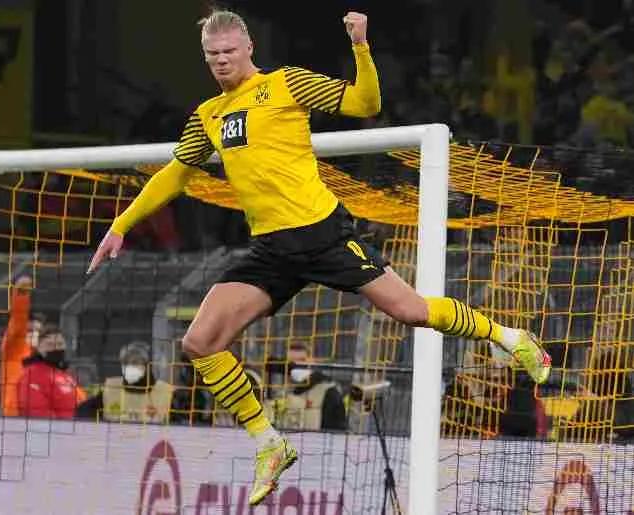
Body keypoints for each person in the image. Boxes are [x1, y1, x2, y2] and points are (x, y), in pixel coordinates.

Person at [87, 9, 551, 506]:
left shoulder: (288, 85)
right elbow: (175, 173)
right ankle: (269, 442)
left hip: (323, 234)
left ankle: (511, 338)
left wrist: (360, 46)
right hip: (271, 249)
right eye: (212, 55)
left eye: (229, 52)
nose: (221, 62)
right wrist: (120, 226)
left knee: (410, 310)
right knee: (199, 343)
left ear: (248, 48)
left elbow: (365, 102)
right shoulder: (208, 115)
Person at [76, 341, 174, 424]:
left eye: (135, 362)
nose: (129, 367)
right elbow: (83, 414)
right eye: (125, 363)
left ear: (148, 366)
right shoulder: (111, 389)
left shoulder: (164, 392)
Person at [274, 341, 347, 431]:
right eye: (291, 362)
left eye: (302, 360)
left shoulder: (329, 393)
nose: (296, 366)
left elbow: (336, 432)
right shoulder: (281, 392)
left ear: (312, 361)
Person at [0, 275, 46, 416]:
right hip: (15, 416)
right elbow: (18, 319)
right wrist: (22, 293)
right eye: (31, 331)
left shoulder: (46, 358)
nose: (34, 335)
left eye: (38, 331)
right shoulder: (14, 348)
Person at [17, 326, 85, 419]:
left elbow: (80, 402)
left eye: (60, 344)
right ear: (39, 349)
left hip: (80, 427)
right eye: (50, 345)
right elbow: (36, 414)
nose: (56, 348)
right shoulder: (31, 375)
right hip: (58, 430)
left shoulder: (64, 374)